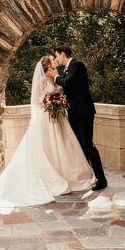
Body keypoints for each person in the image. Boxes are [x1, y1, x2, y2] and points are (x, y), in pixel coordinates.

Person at [0, 56, 94, 208]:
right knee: (45, 147)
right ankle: (47, 177)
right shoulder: (42, 80)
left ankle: (65, 173)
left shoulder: (54, 79)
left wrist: (57, 101)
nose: (55, 62)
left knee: (58, 146)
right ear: (47, 68)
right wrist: (53, 102)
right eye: (52, 61)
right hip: (45, 118)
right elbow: (39, 100)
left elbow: (59, 93)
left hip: (55, 118)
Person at [46, 44, 108, 191]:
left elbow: (68, 83)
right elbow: (67, 89)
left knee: (88, 145)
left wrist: (55, 77)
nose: (56, 58)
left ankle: (101, 179)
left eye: (56, 55)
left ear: (63, 54)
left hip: (84, 112)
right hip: (74, 113)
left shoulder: (77, 66)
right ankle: (85, 177)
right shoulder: (68, 69)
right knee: (79, 147)